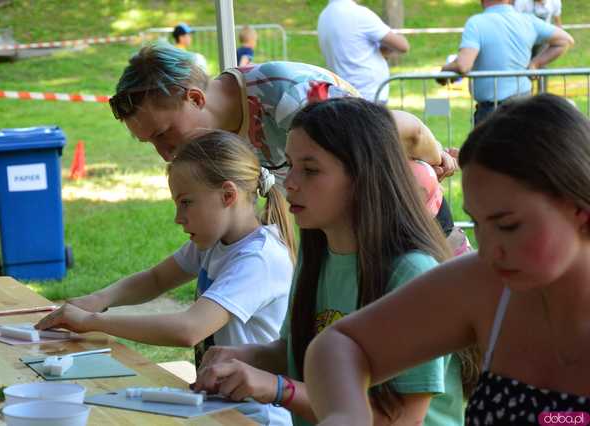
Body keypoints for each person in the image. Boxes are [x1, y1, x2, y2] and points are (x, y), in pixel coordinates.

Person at [304, 94, 590, 426]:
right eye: (479, 225)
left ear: (579, 209)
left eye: (508, 225)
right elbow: (341, 345)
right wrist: (346, 415)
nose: (488, 250)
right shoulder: (488, 284)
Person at [193, 98, 475, 426]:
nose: (291, 183)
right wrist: (248, 358)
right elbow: (296, 353)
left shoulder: (411, 272)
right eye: (290, 165)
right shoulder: (319, 255)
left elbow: (398, 418)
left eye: (310, 170)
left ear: (363, 177)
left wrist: (280, 389)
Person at [35, 130, 296, 426]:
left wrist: (90, 322)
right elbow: (157, 279)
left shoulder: (259, 259)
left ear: (227, 196)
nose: (178, 217)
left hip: (256, 417)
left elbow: (189, 329)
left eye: (186, 202)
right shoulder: (215, 241)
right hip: (219, 405)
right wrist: (98, 300)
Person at [109, 44, 457, 188]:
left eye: (162, 133)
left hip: (406, 221)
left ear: (196, 98)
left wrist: (439, 159)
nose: (166, 153)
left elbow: (407, 131)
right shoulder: (215, 135)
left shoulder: (291, 94)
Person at [438, 0, 573, 125]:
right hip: (524, 105)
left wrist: (445, 71)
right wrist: (535, 64)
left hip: (491, 111)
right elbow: (565, 40)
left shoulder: (476, 23)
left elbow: (463, 65)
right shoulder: (528, 20)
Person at [317, 0, 409, 103]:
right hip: (368, 93)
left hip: (342, 92)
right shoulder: (358, 13)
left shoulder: (324, 15)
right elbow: (402, 46)